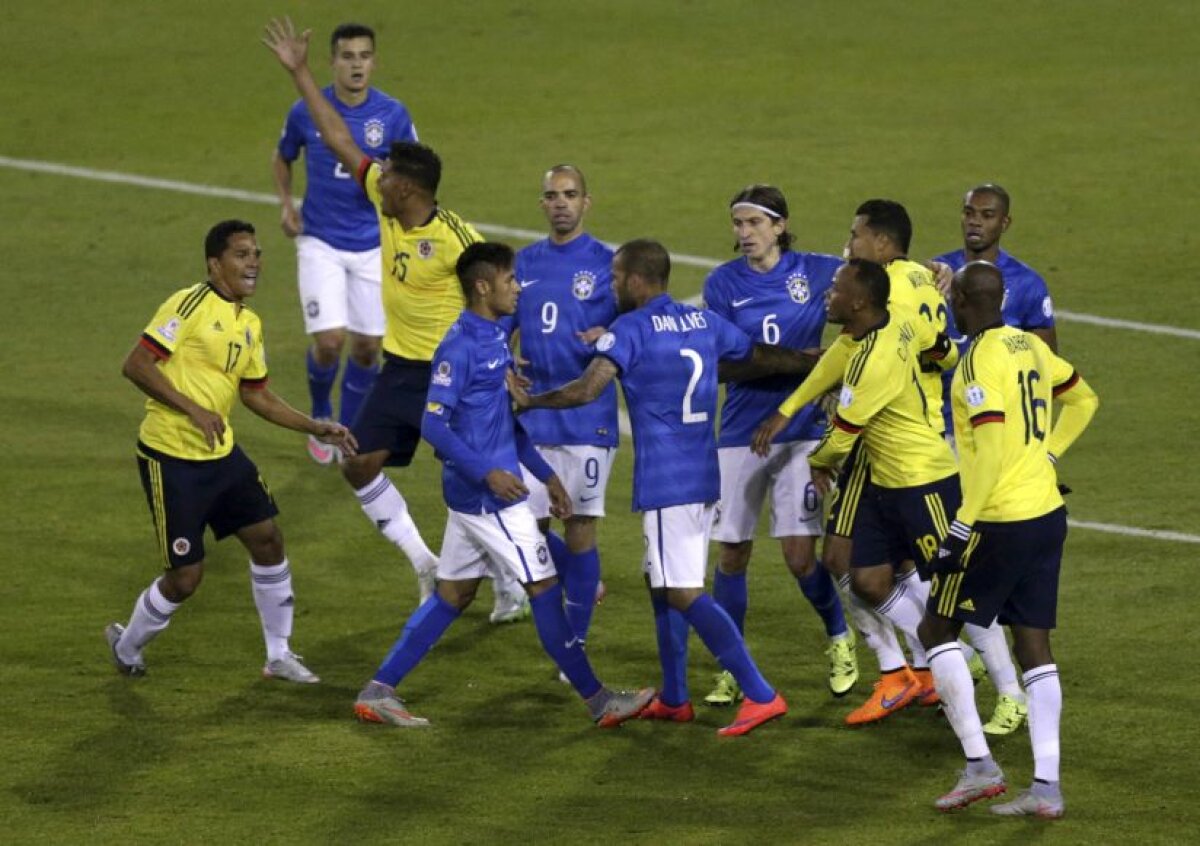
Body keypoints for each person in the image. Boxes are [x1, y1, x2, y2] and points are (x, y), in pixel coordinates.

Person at [264, 17, 525, 617]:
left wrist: (507, 359)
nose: (374, 184)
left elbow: (509, 292)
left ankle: (515, 580)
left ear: (406, 189)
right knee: (358, 464)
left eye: (387, 180)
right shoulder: (389, 209)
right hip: (405, 370)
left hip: (456, 376)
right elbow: (337, 140)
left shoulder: (460, 240)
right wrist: (302, 73)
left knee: (478, 484)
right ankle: (427, 565)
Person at [516, 239, 817, 736]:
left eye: (615, 278)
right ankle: (676, 698)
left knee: (681, 591)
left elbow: (586, 389)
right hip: (703, 475)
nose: (611, 286)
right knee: (663, 588)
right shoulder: (703, 322)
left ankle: (761, 693)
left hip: (665, 481)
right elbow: (757, 355)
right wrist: (810, 361)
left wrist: (530, 402)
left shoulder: (629, 329)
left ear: (636, 280)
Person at [352, 242, 653, 728]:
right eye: (511, 280)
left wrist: (549, 476)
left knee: (453, 595)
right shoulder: (461, 346)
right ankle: (599, 702)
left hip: (489, 490)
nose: (518, 288)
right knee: (545, 587)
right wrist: (487, 473)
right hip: (490, 498)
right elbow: (434, 425)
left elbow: (504, 424)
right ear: (483, 286)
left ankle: (379, 689)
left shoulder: (493, 337)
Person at [104, 220, 357, 682]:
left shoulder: (249, 322)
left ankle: (278, 654)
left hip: (221, 456)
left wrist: (314, 426)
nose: (254, 263)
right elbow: (136, 364)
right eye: (242, 255)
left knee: (267, 539)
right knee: (186, 578)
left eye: (257, 254)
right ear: (214, 263)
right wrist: (194, 409)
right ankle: (127, 645)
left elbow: (256, 394)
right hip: (171, 456)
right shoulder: (188, 304)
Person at [755, 200, 963, 725]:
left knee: (873, 563)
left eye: (855, 237)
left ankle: (941, 662)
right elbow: (938, 351)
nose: (847, 247)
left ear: (883, 245)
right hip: (905, 433)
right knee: (885, 565)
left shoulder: (889, 293)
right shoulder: (919, 278)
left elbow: (860, 359)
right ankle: (916, 667)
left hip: (888, 443)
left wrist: (820, 449)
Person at [918, 261, 1098, 816]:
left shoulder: (977, 359)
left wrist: (963, 521)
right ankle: (1046, 787)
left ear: (966, 302)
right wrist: (1047, 454)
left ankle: (980, 767)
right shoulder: (1027, 344)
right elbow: (1084, 399)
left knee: (934, 628)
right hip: (1047, 513)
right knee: (1034, 647)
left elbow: (992, 447)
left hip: (1000, 521)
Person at [701, 185, 855, 706]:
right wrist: (808, 362)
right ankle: (732, 665)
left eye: (753, 224)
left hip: (802, 433)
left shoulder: (817, 272)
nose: (743, 234)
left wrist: (936, 274)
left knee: (798, 557)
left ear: (781, 226)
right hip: (741, 433)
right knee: (732, 554)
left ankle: (840, 637)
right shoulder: (721, 284)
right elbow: (725, 365)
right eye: (738, 224)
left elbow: (876, 289)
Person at [929, 184, 1059, 736]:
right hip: (939, 435)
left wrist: (1041, 449)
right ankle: (977, 670)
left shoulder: (1027, 284)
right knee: (927, 566)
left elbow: (1049, 369)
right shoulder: (938, 275)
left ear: (1006, 222)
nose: (974, 223)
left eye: (986, 215)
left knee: (960, 576)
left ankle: (994, 688)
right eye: (968, 213)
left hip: (993, 452)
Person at [272, 23, 417, 466]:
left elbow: (415, 171)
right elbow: (283, 155)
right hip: (321, 241)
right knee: (331, 342)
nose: (356, 64)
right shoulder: (305, 112)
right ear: (332, 62)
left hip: (374, 245)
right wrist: (285, 204)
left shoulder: (393, 114)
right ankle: (320, 413)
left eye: (364, 56)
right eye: (348, 56)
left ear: (373, 61)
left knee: (368, 347)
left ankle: (347, 430)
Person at [507, 165, 617, 648]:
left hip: (587, 419)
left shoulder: (608, 264)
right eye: (551, 195)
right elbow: (498, 320)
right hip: (531, 417)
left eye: (570, 194)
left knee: (580, 526)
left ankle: (575, 644)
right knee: (521, 523)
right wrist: (505, 358)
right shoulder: (524, 263)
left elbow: (638, 323)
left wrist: (609, 335)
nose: (561, 203)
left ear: (586, 202)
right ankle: (580, 578)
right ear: (541, 203)